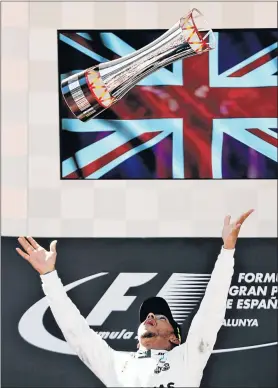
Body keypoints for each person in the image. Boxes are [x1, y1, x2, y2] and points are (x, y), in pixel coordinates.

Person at [16, 209, 254, 388]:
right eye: (148, 316)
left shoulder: (187, 358)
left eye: (160, 316)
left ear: (174, 337)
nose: (150, 316)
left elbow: (210, 313)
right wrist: (48, 276)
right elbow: (76, 331)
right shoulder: (116, 363)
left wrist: (227, 251)